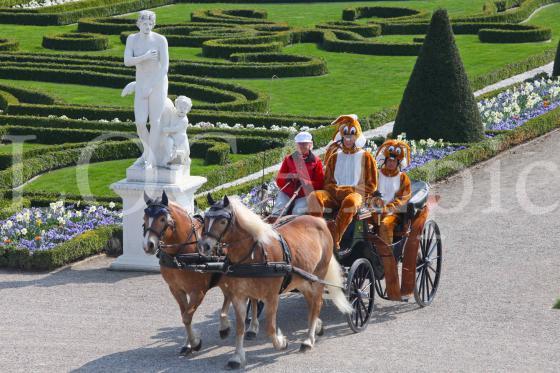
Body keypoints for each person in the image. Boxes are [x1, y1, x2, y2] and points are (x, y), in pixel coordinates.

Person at [307, 115, 377, 251]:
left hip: (358, 195)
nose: (348, 139)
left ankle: (335, 239)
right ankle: (316, 233)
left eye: (351, 135)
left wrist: (349, 190)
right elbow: (327, 183)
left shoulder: (366, 157)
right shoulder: (334, 157)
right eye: (346, 136)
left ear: (357, 136)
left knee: (351, 202)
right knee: (314, 197)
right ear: (342, 136)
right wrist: (336, 191)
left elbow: (371, 185)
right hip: (334, 194)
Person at [123, 10, 169, 168]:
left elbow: (165, 67)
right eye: (144, 23)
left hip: (158, 82)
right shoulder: (132, 39)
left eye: (150, 24)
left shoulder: (160, 40)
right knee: (140, 123)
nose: (147, 26)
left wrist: (152, 85)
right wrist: (145, 57)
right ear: (138, 24)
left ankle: (150, 158)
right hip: (142, 81)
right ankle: (149, 153)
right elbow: (127, 61)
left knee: (155, 121)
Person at [371, 138, 412, 300]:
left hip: (393, 214)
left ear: (398, 163)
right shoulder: (376, 174)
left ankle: (385, 255)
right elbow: (370, 190)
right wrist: (374, 202)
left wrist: (388, 208)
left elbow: (403, 199)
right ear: (385, 160)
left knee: (386, 225)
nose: (390, 164)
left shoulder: (403, 178)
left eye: (394, 162)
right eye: (389, 161)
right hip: (375, 210)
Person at [272, 131, 324, 217]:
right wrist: (289, 177)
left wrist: (304, 181)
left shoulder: (316, 161)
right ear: (296, 145)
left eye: (304, 144)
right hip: (287, 192)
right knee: (277, 210)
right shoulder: (288, 159)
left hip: (304, 194)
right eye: (299, 144)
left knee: (297, 212)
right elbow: (279, 179)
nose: (302, 146)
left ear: (310, 145)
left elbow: (320, 183)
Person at [161, 96, 192, 168]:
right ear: (176, 106)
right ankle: (167, 159)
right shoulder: (174, 113)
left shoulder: (184, 120)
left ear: (188, 110)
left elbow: (176, 129)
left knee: (185, 152)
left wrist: (166, 129)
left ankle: (183, 161)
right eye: (180, 107)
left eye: (185, 108)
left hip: (180, 139)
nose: (182, 110)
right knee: (168, 143)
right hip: (171, 137)